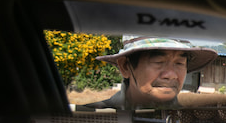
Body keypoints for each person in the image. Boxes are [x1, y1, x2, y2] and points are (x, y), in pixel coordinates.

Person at [86, 36, 218, 109]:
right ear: (125, 67)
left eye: (179, 63)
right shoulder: (94, 114)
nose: (171, 75)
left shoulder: (191, 122)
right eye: (158, 62)